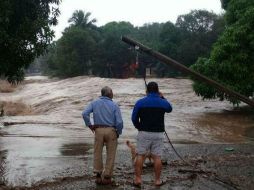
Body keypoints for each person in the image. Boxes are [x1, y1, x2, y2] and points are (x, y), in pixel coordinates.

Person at [131, 81, 172, 187]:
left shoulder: (140, 102)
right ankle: (157, 180)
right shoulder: (162, 102)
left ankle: (138, 179)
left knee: (140, 155)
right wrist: (162, 97)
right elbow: (169, 109)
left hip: (144, 132)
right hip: (158, 133)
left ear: (147, 91)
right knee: (157, 157)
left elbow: (134, 118)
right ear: (158, 91)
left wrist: (139, 127)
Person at [82, 86, 123, 185]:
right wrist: (118, 132)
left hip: (98, 130)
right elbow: (119, 122)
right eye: (112, 92)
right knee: (111, 154)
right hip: (111, 130)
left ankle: (98, 176)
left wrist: (90, 125)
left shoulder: (94, 103)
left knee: (97, 152)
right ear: (109, 94)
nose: (113, 93)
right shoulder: (114, 105)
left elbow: (84, 113)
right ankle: (107, 177)